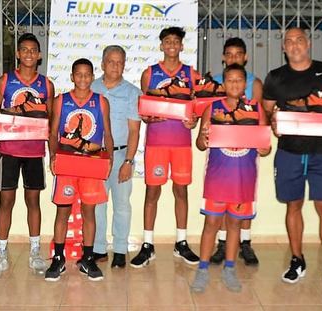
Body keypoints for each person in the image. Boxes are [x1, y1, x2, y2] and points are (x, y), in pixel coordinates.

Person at [262, 27, 322, 297]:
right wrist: (274, 124)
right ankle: (297, 259)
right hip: (289, 151)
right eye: (289, 41)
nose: (294, 45)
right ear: (283, 47)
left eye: (299, 40)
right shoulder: (275, 78)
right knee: (293, 206)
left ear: (308, 43)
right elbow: (265, 113)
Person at [191, 64, 270, 293]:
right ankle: (203, 269)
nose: (234, 84)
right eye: (230, 80)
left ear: (245, 84)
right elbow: (199, 143)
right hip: (218, 178)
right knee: (212, 224)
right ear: (223, 84)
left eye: (239, 80)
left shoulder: (255, 109)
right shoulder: (212, 107)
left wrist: (264, 148)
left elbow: (265, 147)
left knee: (235, 224)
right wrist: (204, 139)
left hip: (243, 179)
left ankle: (230, 267)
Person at [0, 33, 54, 279]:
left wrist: (53, 151)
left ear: (39, 54)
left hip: (35, 151)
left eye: (33, 50)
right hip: (9, 152)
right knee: (6, 201)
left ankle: (35, 251)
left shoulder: (46, 84)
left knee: (33, 201)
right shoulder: (5, 80)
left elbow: (51, 120)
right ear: (17, 54)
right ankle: (1, 252)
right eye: (23, 49)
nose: (28, 54)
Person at [130, 26, 200, 268]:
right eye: (167, 41)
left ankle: (181, 242)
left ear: (182, 46)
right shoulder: (150, 73)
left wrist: (194, 121)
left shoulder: (192, 74)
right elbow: (144, 110)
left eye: (176, 41)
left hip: (181, 144)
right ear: (161, 45)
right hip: (156, 144)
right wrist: (148, 118)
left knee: (181, 192)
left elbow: (196, 109)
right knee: (152, 192)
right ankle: (148, 245)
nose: (171, 45)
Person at [46, 58, 114, 281]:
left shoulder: (101, 101)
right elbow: (53, 132)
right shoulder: (61, 101)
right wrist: (54, 156)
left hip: (92, 165)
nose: (83, 78)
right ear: (72, 76)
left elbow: (107, 134)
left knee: (89, 212)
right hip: (67, 164)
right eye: (79, 74)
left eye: (87, 74)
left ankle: (88, 258)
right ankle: (58, 258)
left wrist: (110, 158)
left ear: (92, 77)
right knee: (62, 211)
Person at [208, 37, 262, 266]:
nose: (233, 58)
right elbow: (209, 115)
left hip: (247, 153)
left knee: (245, 196)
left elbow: (255, 116)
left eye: (238, 54)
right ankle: (222, 243)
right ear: (223, 57)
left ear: (245, 57)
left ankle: (245, 242)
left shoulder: (254, 83)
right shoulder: (215, 82)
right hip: (221, 153)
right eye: (228, 54)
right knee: (221, 197)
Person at [91, 45, 142, 268]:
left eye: (120, 62)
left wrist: (129, 161)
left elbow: (134, 130)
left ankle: (120, 250)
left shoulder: (132, 92)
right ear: (102, 64)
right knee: (97, 205)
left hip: (121, 156)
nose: (116, 66)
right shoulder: (90, 87)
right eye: (111, 61)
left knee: (122, 205)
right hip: (95, 157)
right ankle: (98, 249)